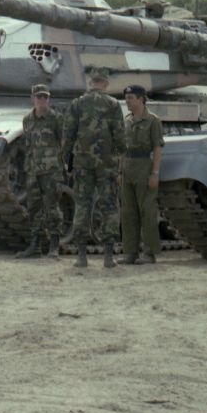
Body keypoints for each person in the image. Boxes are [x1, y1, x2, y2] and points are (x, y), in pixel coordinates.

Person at [62, 66, 123, 268]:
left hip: (82, 163)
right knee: (109, 206)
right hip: (106, 164)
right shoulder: (113, 104)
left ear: (90, 83)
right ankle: (108, 256)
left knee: (82, 205)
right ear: (105, 83)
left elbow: (68, 135)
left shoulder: (77, 104)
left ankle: (81, 256)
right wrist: (120, 160)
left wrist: (66, 161)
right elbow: (120, 136)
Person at [14, 84, 64, 259]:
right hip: (33, 170)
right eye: (39, 97)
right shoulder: (27, 119)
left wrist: (63, 167)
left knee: (52, 208)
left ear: (48, 99)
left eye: (45, 97)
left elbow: (64, 143)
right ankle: (34, 246)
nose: (42, 100)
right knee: (33, 208)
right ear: (32, 98)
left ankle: (54, 246)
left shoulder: (56, 119)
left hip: (51, 171)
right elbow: (26, 144)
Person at [119, 84, 164, 264]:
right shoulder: (127, 120)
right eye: (126, 98)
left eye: (130, 98)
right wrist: (120, 170)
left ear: (140, 99)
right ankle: (130, 252)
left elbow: (157, 148)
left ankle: (149, 252)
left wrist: (155, 173)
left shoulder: (153, 120)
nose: (127, 101)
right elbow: (121, 148)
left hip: (144, 165)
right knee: (128, 212)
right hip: (128, 166)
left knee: (147, 211)